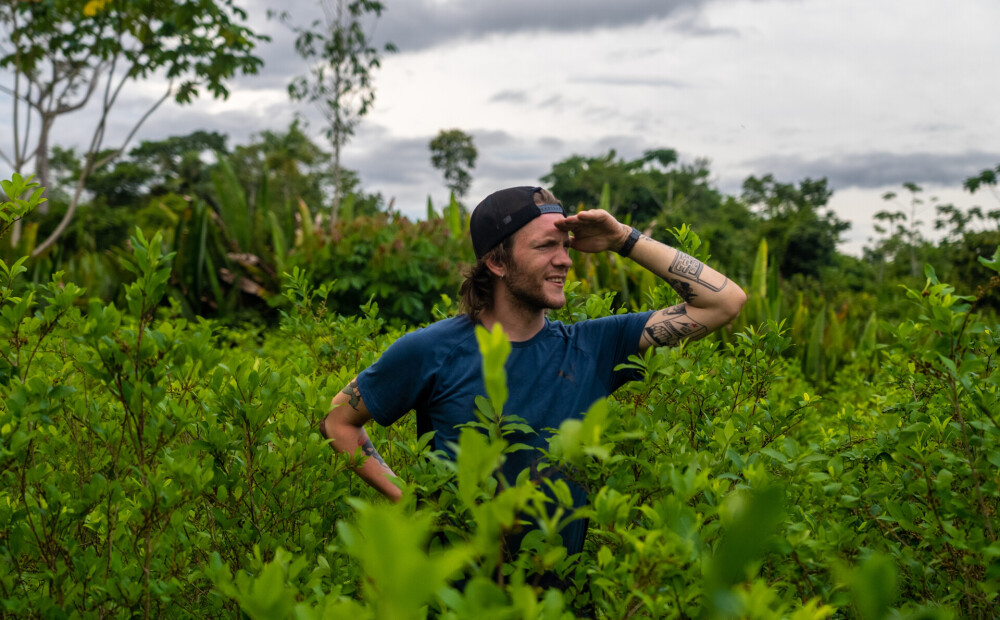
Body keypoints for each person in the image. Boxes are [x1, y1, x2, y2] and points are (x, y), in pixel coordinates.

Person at [318, 185, 746, 560]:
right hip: (460, 602)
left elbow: (723, 302)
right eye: (545, 247)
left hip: (562, 599)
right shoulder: (431, 350)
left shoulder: (594, 347)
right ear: (497, 262)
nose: (565, 261)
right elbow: (339, 420)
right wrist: (408, 498)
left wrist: (622, 238)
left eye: (567, 246)